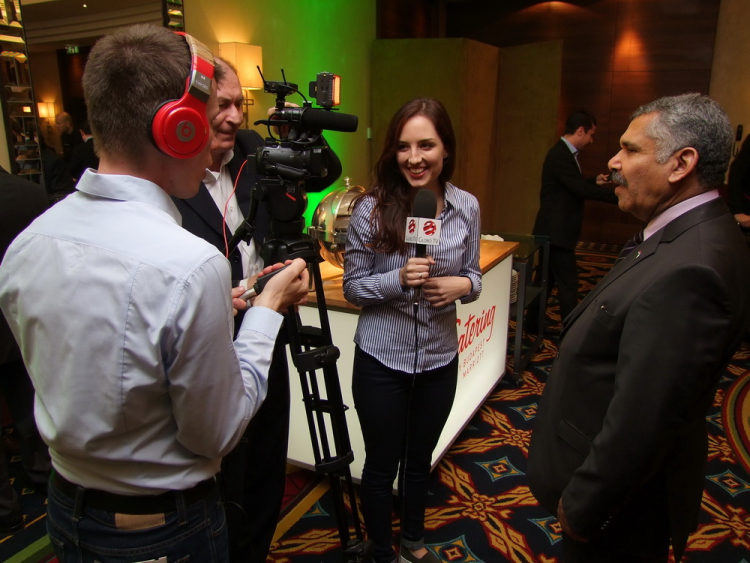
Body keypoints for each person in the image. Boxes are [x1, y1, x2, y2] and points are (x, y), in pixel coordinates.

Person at [0, 24, 309, 562]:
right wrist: (265, 310)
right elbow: (219, 432)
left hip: (65, 511)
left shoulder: (29, 243)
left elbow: (98, 352)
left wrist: (214, 306)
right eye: (207, 116)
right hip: (160, 531)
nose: (219, 132)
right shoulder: (189, 266)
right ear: (179, 129)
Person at [527, 93, 750, 563]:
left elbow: (643, 421)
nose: (613, 162)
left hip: (616, 513)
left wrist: (584, 509)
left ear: (681, 164)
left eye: (630, 150)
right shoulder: (681, 234)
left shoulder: (693, 269)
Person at [172, 57, 339, 563]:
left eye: (238, 104)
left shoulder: (253, 152)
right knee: (226, 470)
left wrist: (305, 126)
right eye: (220, 105)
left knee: (267, 459)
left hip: (272, 328)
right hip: (207, 346)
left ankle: (258, 549)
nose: (234, 117)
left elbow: (325, 171)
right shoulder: (168, 181)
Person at [343, 98, 482, 563]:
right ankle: (382, 552)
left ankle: (414, 543)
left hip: (440, 359)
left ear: (446, 149)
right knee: (381, 467)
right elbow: (354, 288)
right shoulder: (370, 208)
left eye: (426, 145)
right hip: (382, 360)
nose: (414, 158)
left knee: (420, 462)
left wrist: (463, 285)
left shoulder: (466, 207)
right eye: (403, 147)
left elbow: (474, 274)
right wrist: (397, 279)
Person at [529, 110, 618, 330]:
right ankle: (570, 329)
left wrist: (593, 181)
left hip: (553, 231)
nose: (591, 140)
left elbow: (570, 186)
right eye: (591, 135)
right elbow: (578, 189)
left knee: (545, 280)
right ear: (580, 131)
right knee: (568, 284)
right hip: (556, 232)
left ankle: (531, 325)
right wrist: (618, 196)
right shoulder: (560, 155)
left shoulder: (564, 153)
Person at [0, 166, 51, 535]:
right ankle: (42, 474)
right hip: (20, 322)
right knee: (29, 409)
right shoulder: (29, 194)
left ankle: (5, 508)